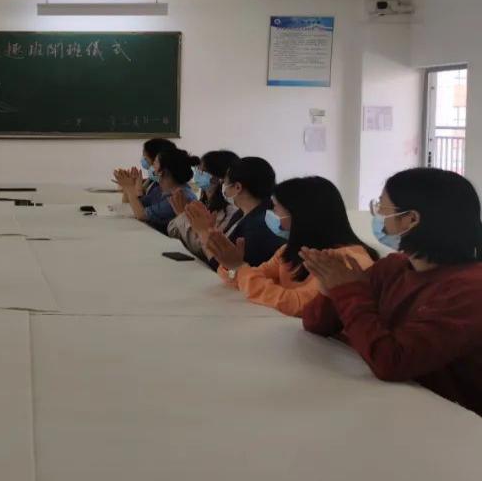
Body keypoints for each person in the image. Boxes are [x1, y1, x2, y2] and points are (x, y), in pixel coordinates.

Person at [302, 168, 482, 416]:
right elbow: (316, 325)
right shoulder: (393, 267)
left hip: (452, 421)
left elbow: (391, 361)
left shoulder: (470, 289)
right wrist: (329, 287)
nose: (378, 217)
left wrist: (347, 290)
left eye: (382, 209)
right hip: (392, 405)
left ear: (411, 220)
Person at [208, 176, 377, 317]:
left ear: (299, 215)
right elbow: (248, 279)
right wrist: (233, 267)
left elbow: (298, 305)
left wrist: (240, 268)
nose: (271, 214)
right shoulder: (290, 250)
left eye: (275, 208)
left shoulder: (349, 260)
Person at [184, 156, 282, 269]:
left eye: (225, 182)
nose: (222, 186)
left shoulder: (258, 225)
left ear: (237, 187)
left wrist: (203, 232)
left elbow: (224, 267)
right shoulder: (242, 213)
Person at [167, 150, 239, 260]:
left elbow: (202, 249)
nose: (197, 174)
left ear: (218, 178)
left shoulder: (230, 211)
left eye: (202, 171)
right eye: (198, 169)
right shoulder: (203, 202)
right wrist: (183, 217)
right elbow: (172, 231)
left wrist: (182, 215)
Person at [116, 147, 199, 234]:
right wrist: (129, 185)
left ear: (162, 171)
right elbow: (134, 205)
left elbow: (141, 215)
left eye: (155, 162)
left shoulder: (181, 195)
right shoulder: (159, 190)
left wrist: (129, 187)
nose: (152, 165)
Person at [113, 138, 177, 208]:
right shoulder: (151, 180)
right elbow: (127, 204)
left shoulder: (161, 189)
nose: (143, 160)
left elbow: (139, 209)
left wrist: (130, 188)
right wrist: (129, 186)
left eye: (146, 158)